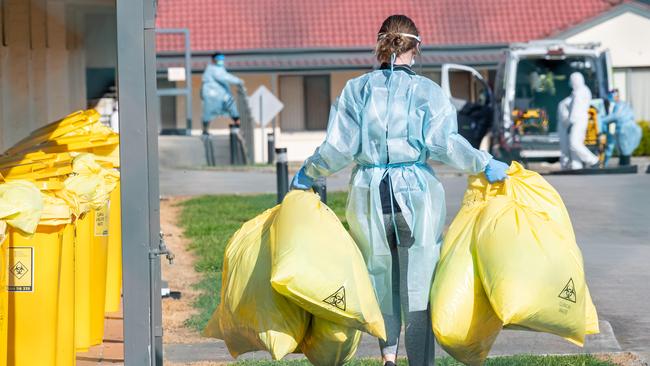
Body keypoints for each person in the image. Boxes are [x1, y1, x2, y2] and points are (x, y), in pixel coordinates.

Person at [290, 15, 508, 366]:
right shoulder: (427, 92)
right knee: (419, 290)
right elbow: (445, 144)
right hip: (417, 199)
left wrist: (309, 172)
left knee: (380, 283)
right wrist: (484, 163)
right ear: (417, 47)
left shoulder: (357, 89)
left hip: (369, 199)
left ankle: (388, 360)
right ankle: (420, 362)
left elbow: (339, 147)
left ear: (380, 44)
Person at [558, 72, 599, 169]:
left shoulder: (580, 92)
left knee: (574, 143)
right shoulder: (581, 91)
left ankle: (593, 160)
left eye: (572, 81)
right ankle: (577, 166)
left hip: (578, 121)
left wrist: (570, 122)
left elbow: (576, 109)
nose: (571, 83)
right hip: (579, 120)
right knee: (576, 143)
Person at [200, 53, 243, 135]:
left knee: (230, 106)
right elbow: (224, 77)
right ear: (213, 60)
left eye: (222, 59)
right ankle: (205, 130)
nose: (221, 61)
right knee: (228, 105)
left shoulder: (218, 68)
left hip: (218, 95)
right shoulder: (213, 69)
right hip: (214, 95)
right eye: (218, 59)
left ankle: (237, 123)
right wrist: (238, 81)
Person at [600, 89, 642, 166]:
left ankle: (624, 165)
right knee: (625, 149)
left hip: (624, 129)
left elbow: (615, 116)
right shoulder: (625, 104)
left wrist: (601, 120)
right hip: (631, 128)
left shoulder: (618, 105)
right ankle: (624, 164)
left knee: (624, 149)